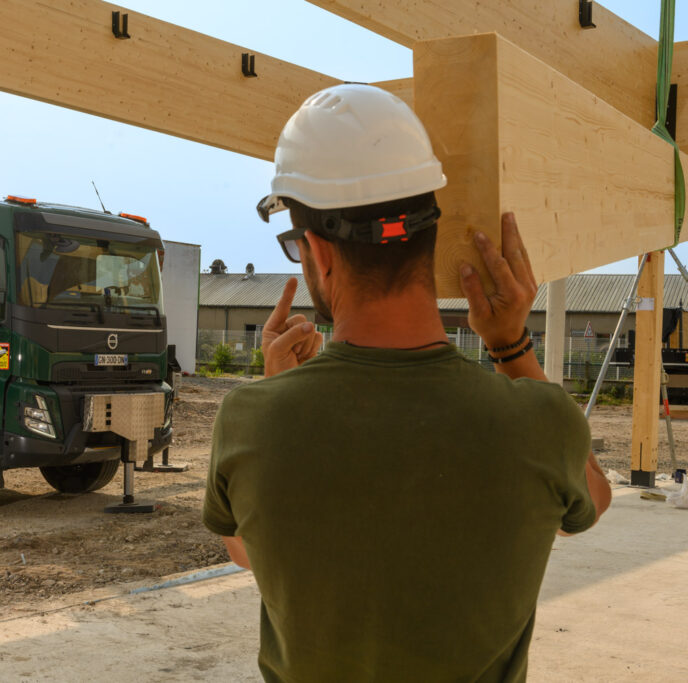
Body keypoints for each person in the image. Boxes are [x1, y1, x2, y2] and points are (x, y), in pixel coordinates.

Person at [202, 84, 612, 681]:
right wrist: (510, 345)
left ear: (320, 253)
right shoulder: (538, 421)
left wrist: (276, 397)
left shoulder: (250, 420)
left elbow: (245, 552)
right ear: (430, 236)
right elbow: (592, 501)